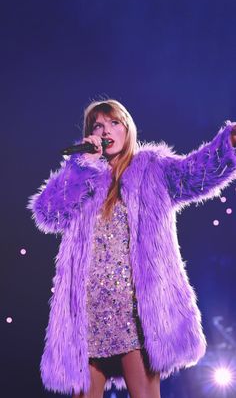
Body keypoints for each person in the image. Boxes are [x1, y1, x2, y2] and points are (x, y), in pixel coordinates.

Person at [28, 99, 236, 398]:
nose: (106, 130)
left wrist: (227, 142)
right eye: (98, 125)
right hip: (87, 311)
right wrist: (79, 168)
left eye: (114, 123)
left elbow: (194, 173)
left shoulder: (151, 169)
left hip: (136, 310)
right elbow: (48, 212)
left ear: (128, 130)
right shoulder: (85, 178)